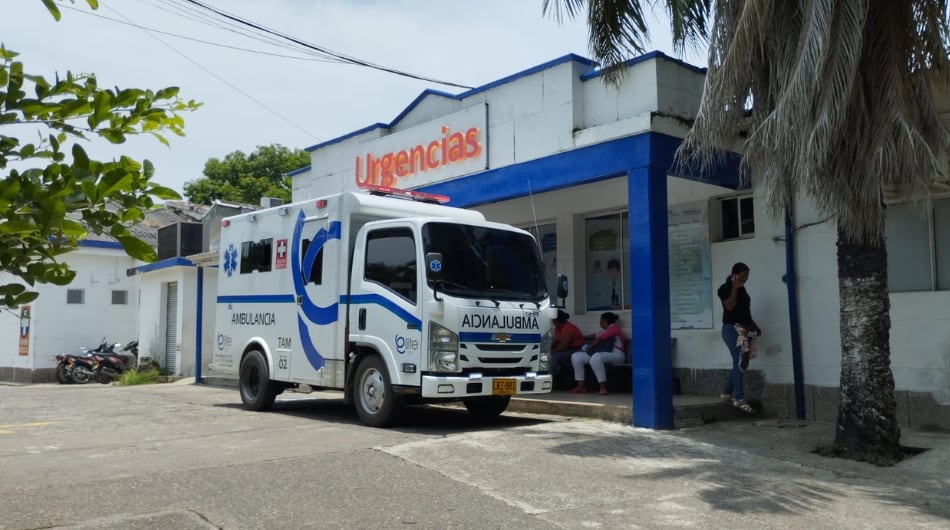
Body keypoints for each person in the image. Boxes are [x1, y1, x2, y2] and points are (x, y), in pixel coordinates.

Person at [717, 262, 761, 414]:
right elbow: (729, 306)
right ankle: (738, 398)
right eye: (743, 276)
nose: (745, 279)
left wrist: (754, 326)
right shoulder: (725, 288)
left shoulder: (743, 289)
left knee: (742, 361)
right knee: (740, 359)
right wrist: (735, 287)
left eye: (747, 277)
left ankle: (726, 392)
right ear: (734, 274)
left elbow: (744, 311)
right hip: (732, 329)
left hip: (744, 328)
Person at [568, 311, 626, 396]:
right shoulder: (606, 330)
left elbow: (600, 337)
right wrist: (582, 337)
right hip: (606, 354)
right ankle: (581, 386)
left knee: (596, 357)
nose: (599, 323)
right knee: (576, 356)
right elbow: (596, 335)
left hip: (617, 355)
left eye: (600, 321)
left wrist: (589, 347)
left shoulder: (614, 328)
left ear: (604, 321)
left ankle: (603, 387)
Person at [550, 310, 585, 387]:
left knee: (556, 356)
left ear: (556, 320)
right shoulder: (558, 328)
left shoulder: (568, 328)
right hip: (566, 349)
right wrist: (547, 350)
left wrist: (551, 352)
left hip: (576, 350)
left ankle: (549, 381)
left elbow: (564, 346)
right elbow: (556, 340)